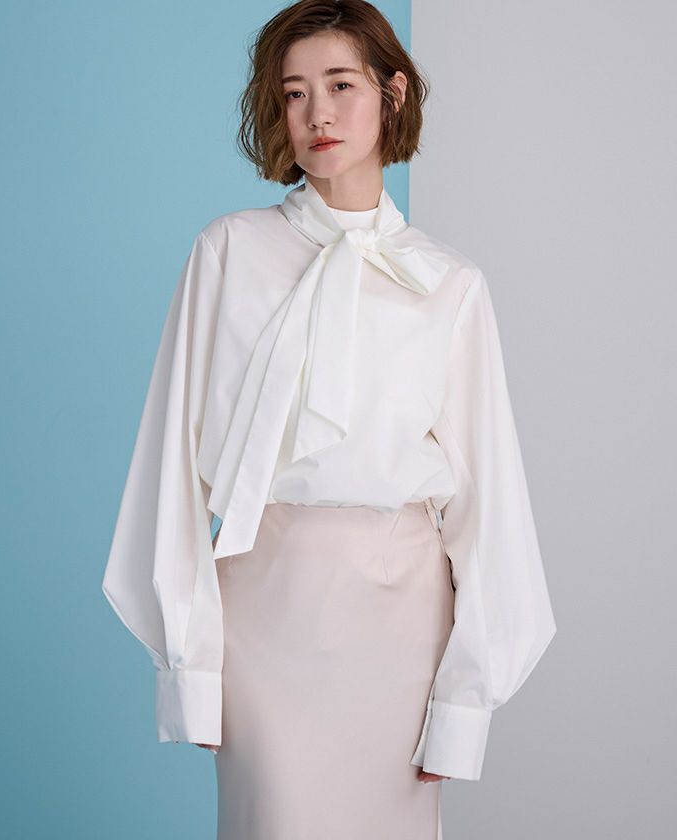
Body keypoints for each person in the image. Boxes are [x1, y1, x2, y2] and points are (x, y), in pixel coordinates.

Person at [101, 1, 557, 837]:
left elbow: (488, 506)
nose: (317, 113)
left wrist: (465, 700)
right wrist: (189, 668)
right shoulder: (228, 252)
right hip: (264, 618)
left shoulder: (450, 283)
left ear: (393, 93)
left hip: (404, 628)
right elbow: (167, 468)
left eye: (341, 85)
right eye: (294, 92)